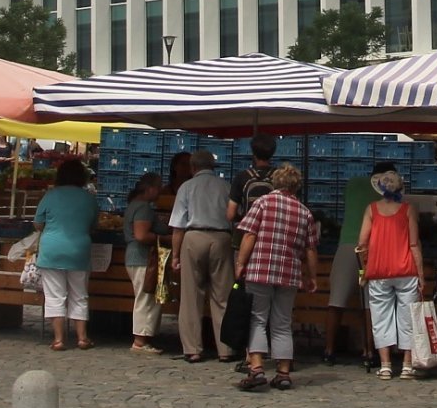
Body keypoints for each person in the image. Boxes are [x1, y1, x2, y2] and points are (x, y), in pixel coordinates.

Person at [234, 164, 319, 392]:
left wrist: (241, 263)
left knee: (257, 319)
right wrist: (312, 276)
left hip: (260, 269)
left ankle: (257, 369)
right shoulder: (304, 212)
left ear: (275, 182)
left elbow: (249, 234)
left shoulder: (262, 203)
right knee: (282, 323)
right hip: (289, 274)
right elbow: (311, 249)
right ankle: (283, 373)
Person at [168, 148, 238, 364]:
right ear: (213, 166)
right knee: (223, 296)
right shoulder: (226, 186)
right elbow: (235, 218)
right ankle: (225, 349)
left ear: (193, 167)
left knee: (191, 296)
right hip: (221, 238)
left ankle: (192, 349)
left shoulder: (186, 188)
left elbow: (178, 225)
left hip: (194, 236)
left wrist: (175, 256)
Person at [324, 159, 396, 367]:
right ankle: (368, 351)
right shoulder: (388, 192)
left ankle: (328, 350)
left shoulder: (353, 183)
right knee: (371, 303)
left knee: (336, 300)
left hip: (347, 244)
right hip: (374, 248)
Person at [359, 169, 424, 380]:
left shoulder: (371, 209)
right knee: (407, 317)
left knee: (380, 317)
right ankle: (407, 365)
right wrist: (421, 275)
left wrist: (364, 270)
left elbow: (362, 244)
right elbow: (414, 244)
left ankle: (385, 365)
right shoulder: (408, 209)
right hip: (405, 269)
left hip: (378, 270)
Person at [32, 157, 99, 351]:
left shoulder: (50, 196)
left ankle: (59, 339)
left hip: (52, 249)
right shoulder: (89, 198)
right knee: (79, 295)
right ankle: (82, 338)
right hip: (79, 249)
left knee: (55, 295)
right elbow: (94, 226)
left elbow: (38, 223)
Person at [123, 172, 164, 355]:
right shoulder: (144, 208)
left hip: (133, 257)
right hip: (142, 257)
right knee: (145, 299)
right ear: (150, 189)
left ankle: (142, 338)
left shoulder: (133, 205)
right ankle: (140, 340)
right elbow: (141, 235)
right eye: (158, 188)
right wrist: (163, 238)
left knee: (143, 297)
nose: (160, 192)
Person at [234, 135, 278, 215]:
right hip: (272, 225)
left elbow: (230, 214)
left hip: (248, 226)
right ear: (273, 153)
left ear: (253, 153)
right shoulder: (281, 177)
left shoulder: (241, 177)